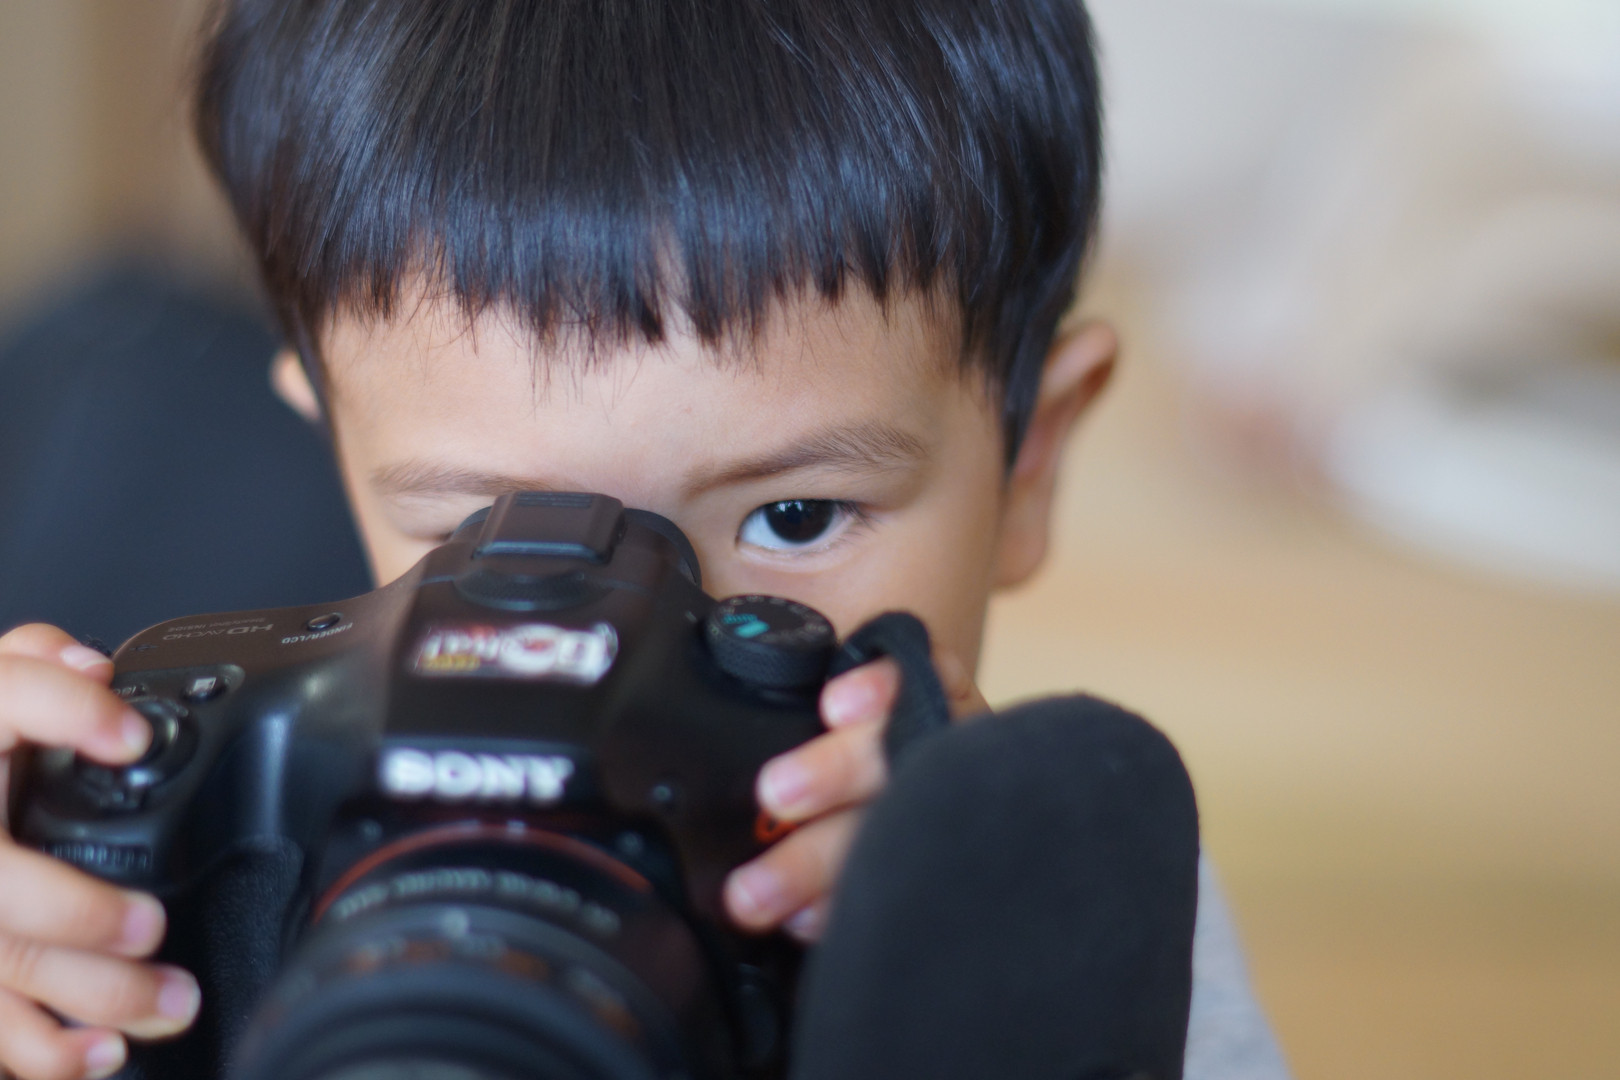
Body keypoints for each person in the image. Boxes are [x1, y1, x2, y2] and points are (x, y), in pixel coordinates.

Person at [0, 2, 1287, 1078]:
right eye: (488, 538)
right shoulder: (230, 842)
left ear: (1030, 465)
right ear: (334, 447)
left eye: (793, 519)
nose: (616, 658)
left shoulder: (1051, 912)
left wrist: (979, 1011)